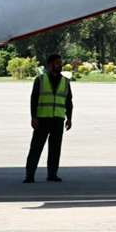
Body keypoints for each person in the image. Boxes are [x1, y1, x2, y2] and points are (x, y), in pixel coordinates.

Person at [24, 54, 72, 183]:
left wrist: (69, 118)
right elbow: (33, 100)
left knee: (55, 148)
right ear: (50, 65)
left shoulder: (65, 82)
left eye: (61, 63)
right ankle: (30, 174)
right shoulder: (40, 80)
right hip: (43, 118)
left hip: (58, 119)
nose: (60, 65)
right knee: (36, 147)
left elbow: (69, 101)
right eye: (57, 63)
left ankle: (52, 174)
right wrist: (33, 117)